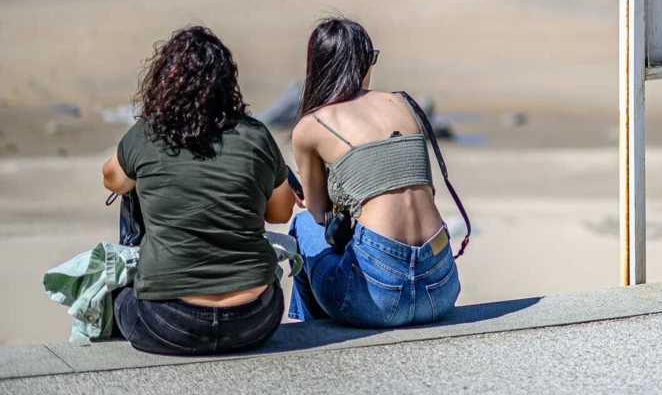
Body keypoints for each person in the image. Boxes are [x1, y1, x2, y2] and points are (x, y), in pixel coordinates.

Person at [101, 26, 295, 355]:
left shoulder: (148, 132)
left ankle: (147, 264)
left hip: (169, 320)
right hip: (255, 317)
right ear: (226, 83)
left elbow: (112, 180)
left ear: (164, 82)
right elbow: (280, 213)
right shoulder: (256, 135)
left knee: (120, 295)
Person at [288, 18, 461, 328]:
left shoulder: (311, 126)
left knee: (301, 224)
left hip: (377, 299)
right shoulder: (404, 103)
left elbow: (317, 214)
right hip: (442, 289)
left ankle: (311, 334)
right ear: (363, 61)